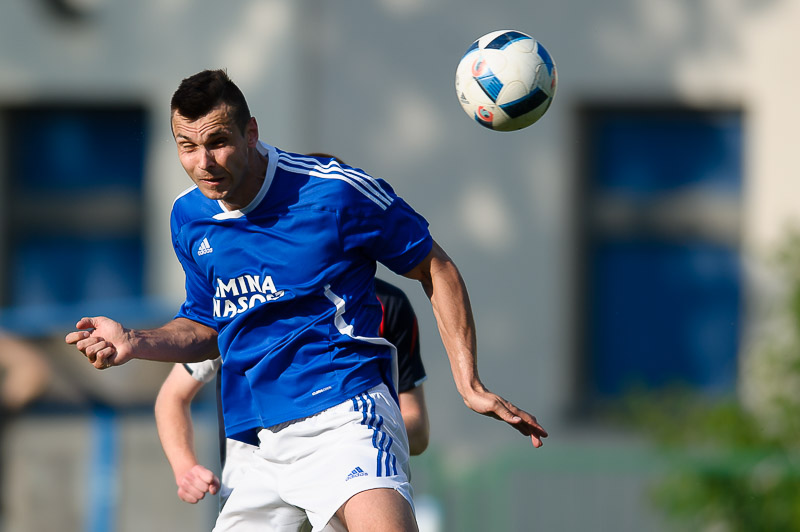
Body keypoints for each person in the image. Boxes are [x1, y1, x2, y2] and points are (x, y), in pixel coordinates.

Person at [65, 69, 547, 532]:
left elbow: (434, 266)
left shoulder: (334, 192)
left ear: (251, 133)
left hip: (345, 416)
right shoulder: (188, 217)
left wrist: (469, 383)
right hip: (258, 444)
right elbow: (206, 326)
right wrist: (133, 341)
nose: (203, 163)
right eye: (187, 147)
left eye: (218, 142)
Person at [154, 277, 430, 508]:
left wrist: (350, 427)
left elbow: (418, 433)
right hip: (251, 486)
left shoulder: (388, 304)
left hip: (347, 478)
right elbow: (173, 397)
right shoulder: (244, 299)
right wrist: (185, 467)